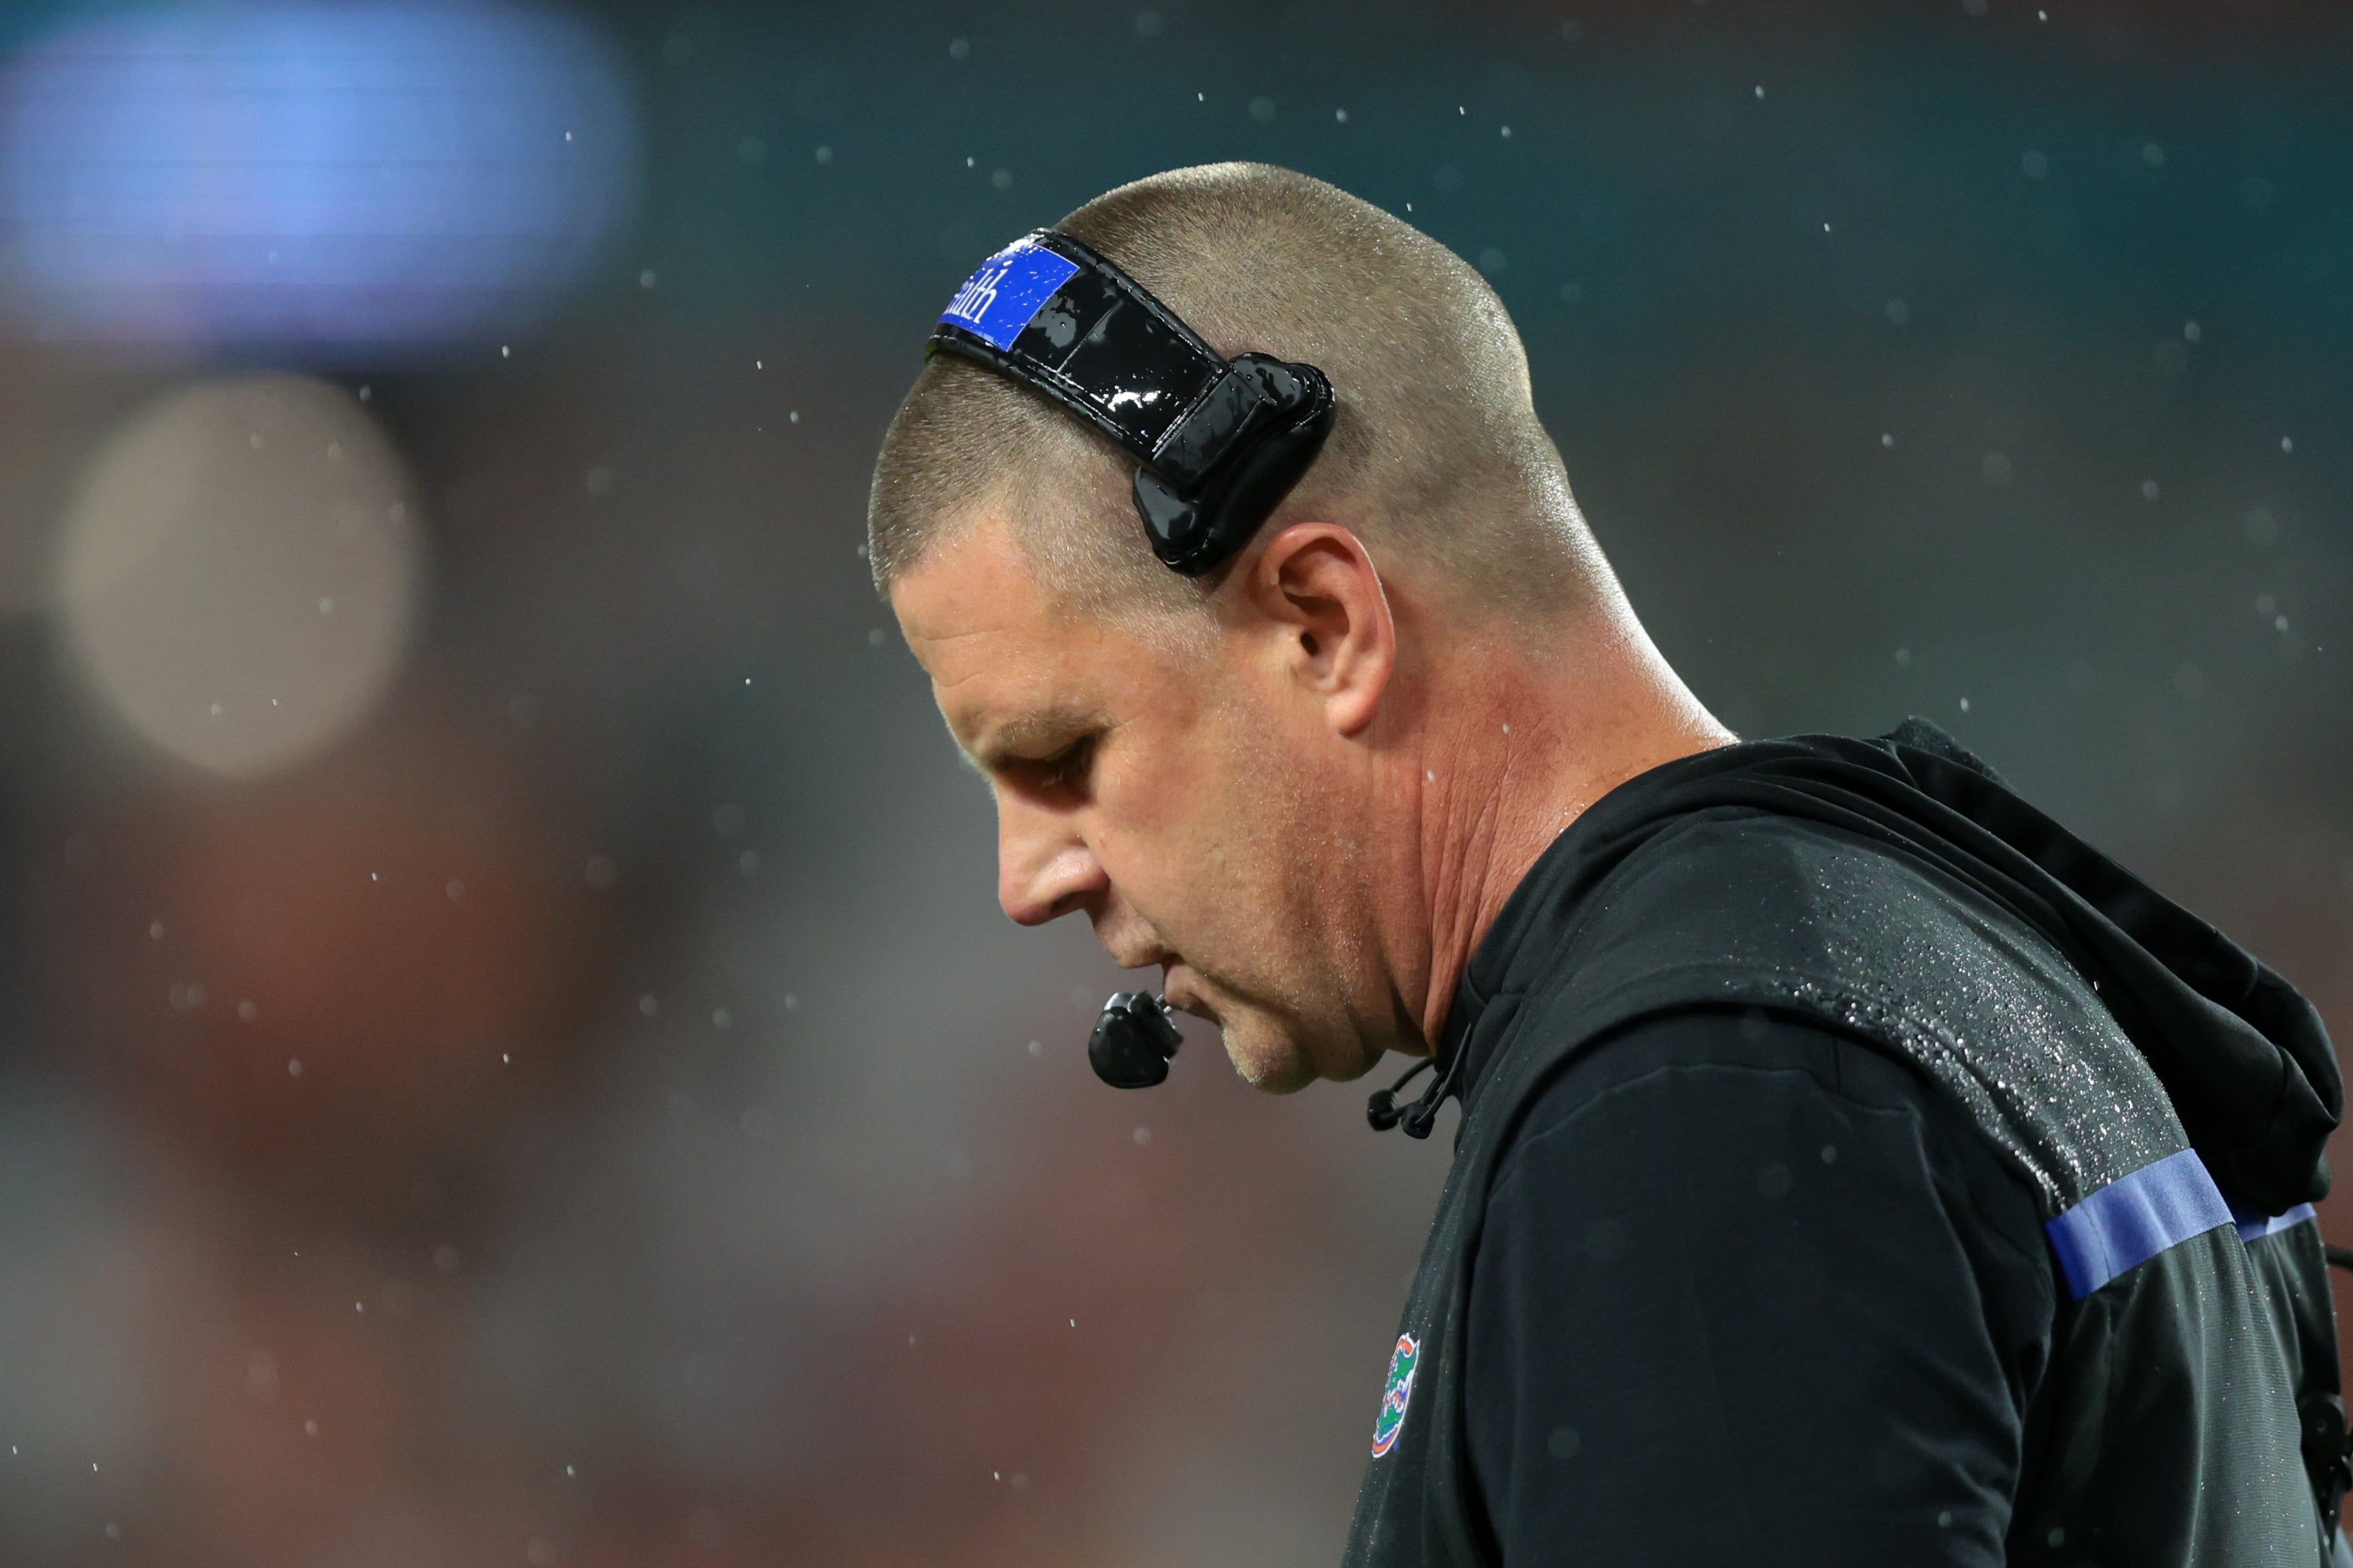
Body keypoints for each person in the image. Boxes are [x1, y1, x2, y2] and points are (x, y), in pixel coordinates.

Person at [867, 161, 2350, 1565]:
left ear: (1323, 623)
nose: (1028, 876)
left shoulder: (1708, 1094)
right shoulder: (1907, 967)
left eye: (1061, 757)